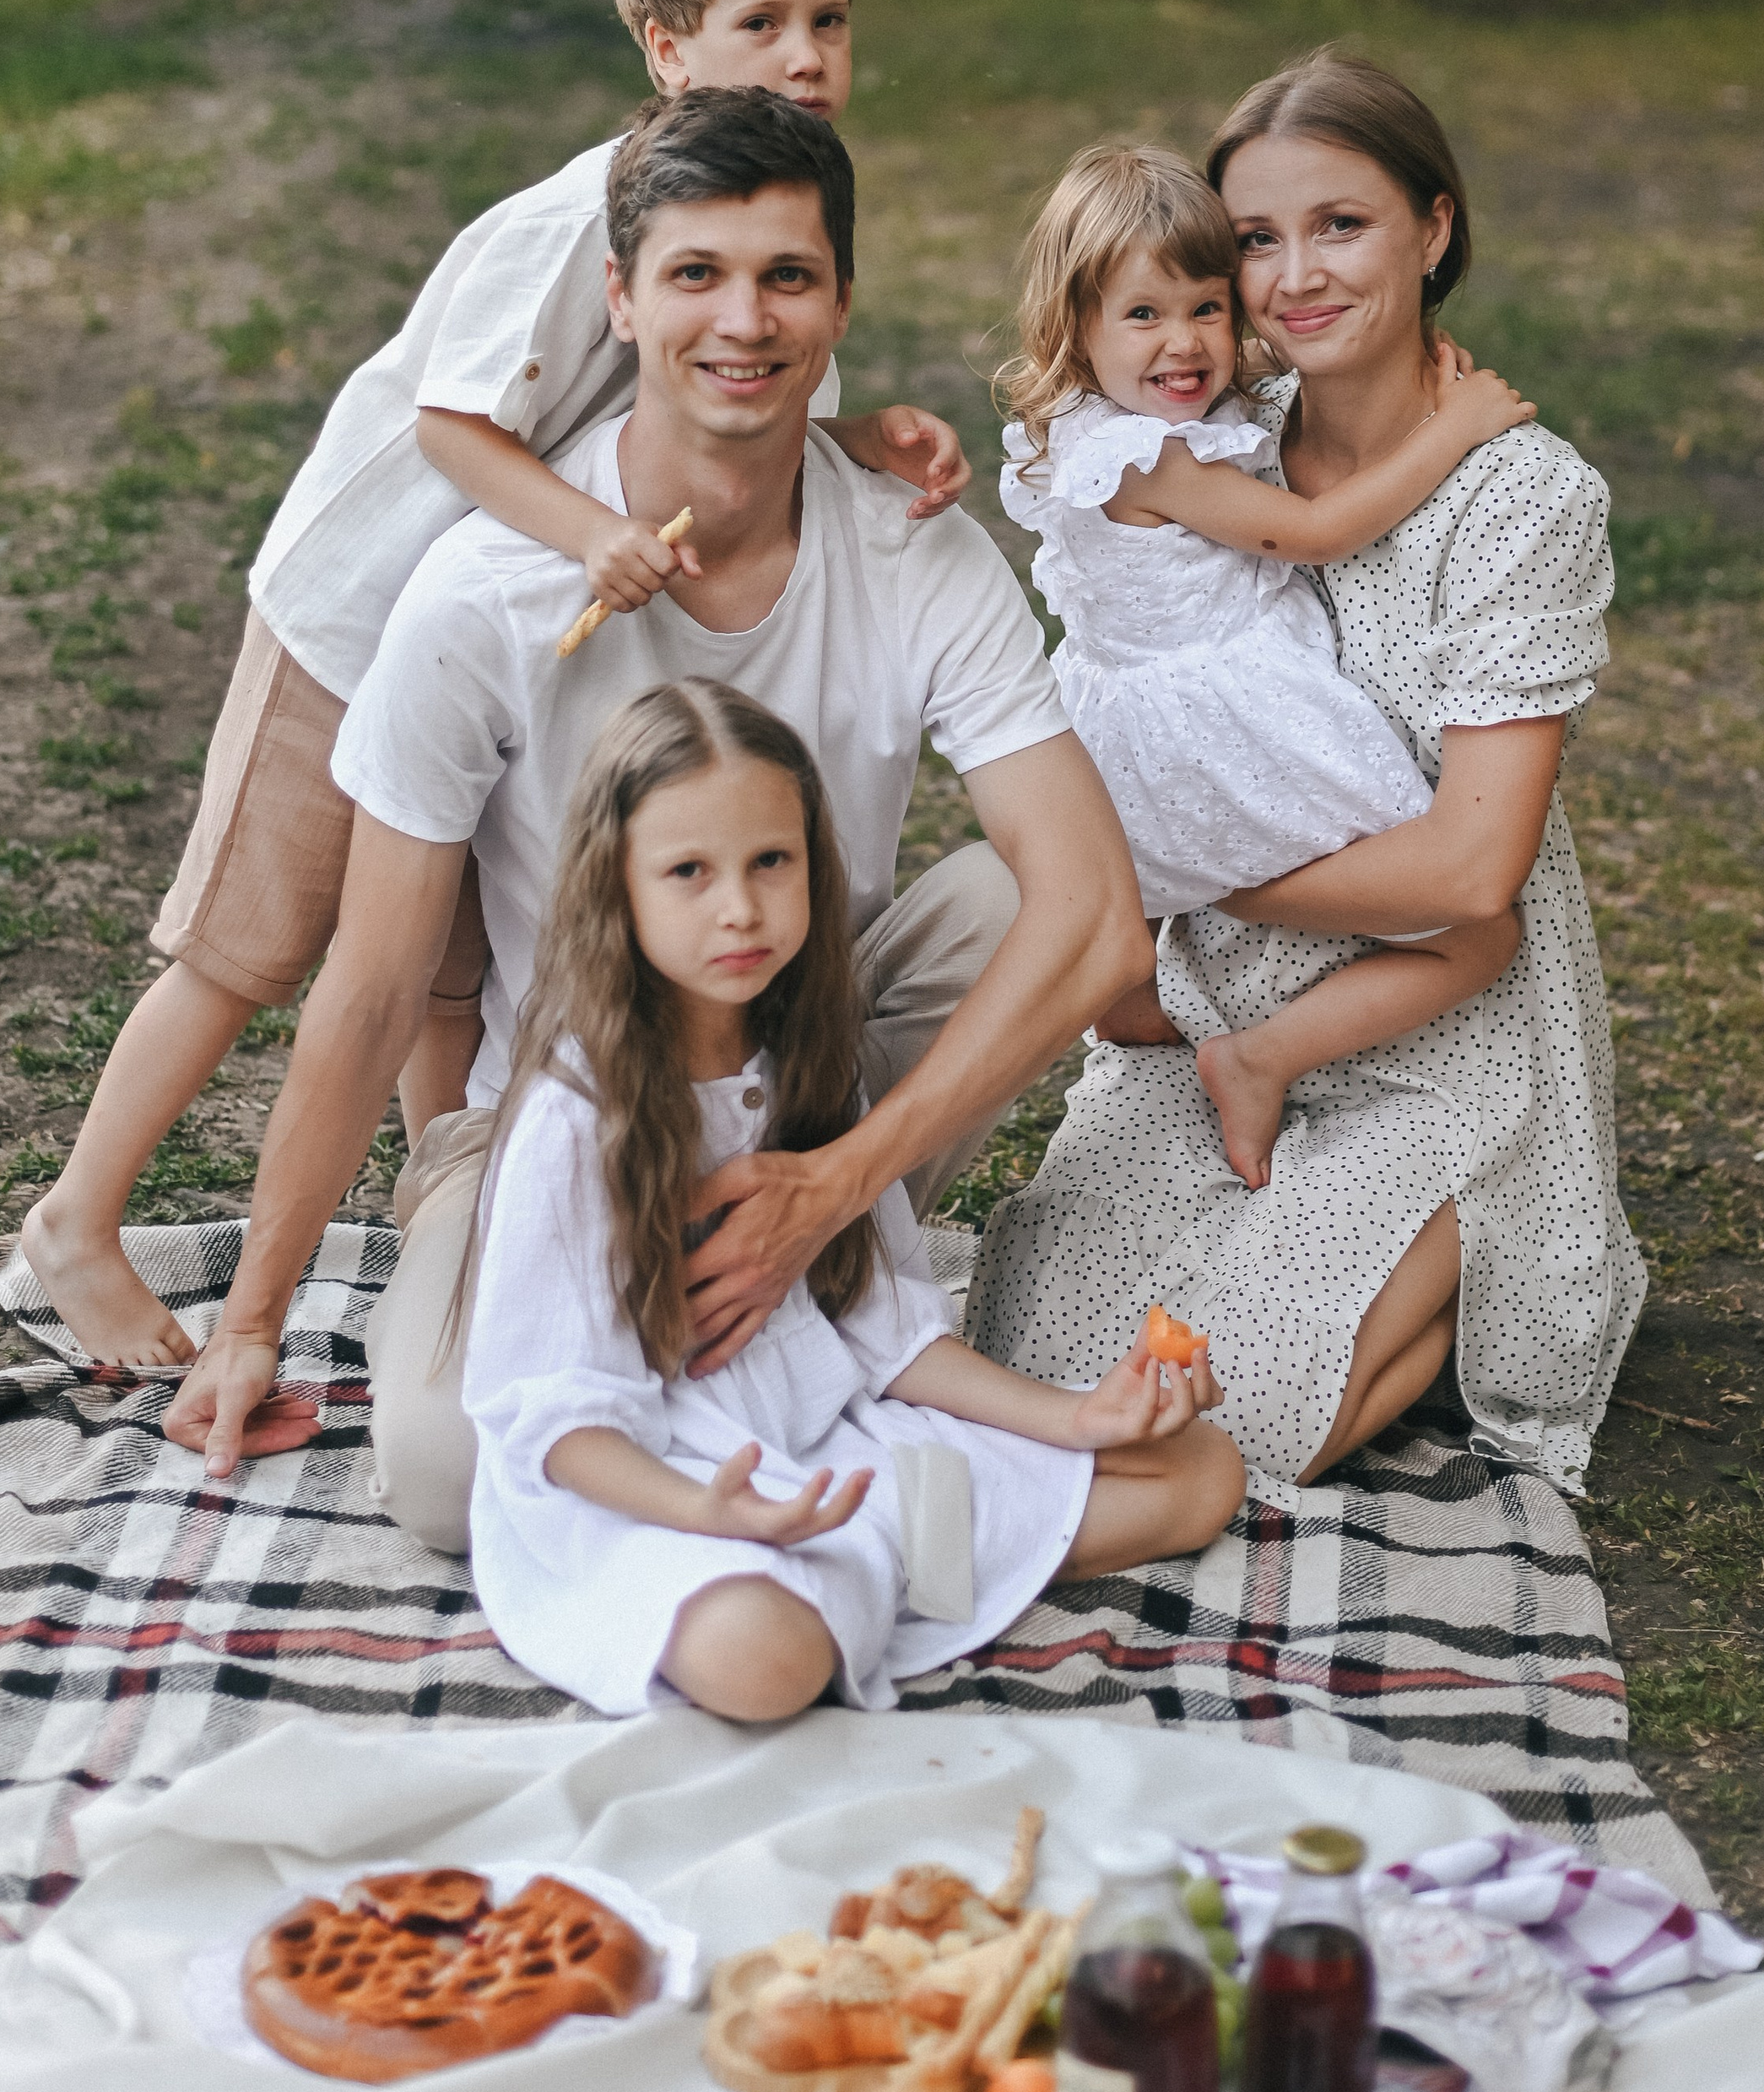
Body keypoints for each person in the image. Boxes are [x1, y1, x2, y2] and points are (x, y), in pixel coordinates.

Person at [19, 0, 969, 1373]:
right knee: (253, 945)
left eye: (832, 21)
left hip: (489, 655)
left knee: (454, 971)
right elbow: (457, 430)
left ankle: (445, 1237)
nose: (806, 55)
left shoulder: (762, 222)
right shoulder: (573, 219)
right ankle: (80, 1211)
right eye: (762, 21)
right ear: (666, 50)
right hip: (358, 619)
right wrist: (593, 531)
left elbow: (748, 402)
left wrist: (868, 437)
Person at [161, 86, 1153, 1515]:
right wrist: (252, 1321)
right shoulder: (485, 594)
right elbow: (374, 989)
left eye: (785, 277)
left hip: (812, 1094)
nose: (743, 320)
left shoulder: (915, 555)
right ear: (620, 300)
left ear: (840, 304)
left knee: (1032, 895)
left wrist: (835, 1175)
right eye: (697, 274)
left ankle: (814, 1266)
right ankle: (768, 1350)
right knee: (447, 1479)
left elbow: (1104, 924)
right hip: (555, 1128)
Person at [969, 47, 1646, 1503]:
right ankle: (1342, 1229)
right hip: (1213, 1002)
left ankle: (1477, 1253)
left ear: (1434, 228)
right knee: (1040, 1357)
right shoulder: (1215, 429)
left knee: (1225, 1413)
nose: (1292, 278)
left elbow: (1475, 877)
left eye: (1341, 224)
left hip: (1436, 1033)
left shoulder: (1521, 495)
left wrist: (1184, 867)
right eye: (1254, 242)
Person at [466, 680, 1244, 1720]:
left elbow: (889, 1338)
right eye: (688, 872)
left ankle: (886, 1563)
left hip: (835, 1446)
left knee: (1198, 1472)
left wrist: (1079, 1416)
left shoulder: (809, 1061)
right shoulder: (576, 1115)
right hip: (650, 1483)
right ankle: (882, 1571)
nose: (738, 906)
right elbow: (555, 1421)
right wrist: (708, 1509)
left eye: (769, 862)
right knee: (764, 1661)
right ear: (617, 888)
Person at [998, 139, 1533, 1184]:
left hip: (1110, 739)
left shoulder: (1091, 423)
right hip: (1216, 740)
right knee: (1479, 939)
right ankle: (1259, 1056)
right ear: (1077, 327)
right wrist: (1453, 428)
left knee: (1117, 966)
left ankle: (1165, 1037)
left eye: (1205, 307)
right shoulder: (1153, 458)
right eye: (1143, 316)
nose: (1185, 343)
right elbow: (1317, 530)